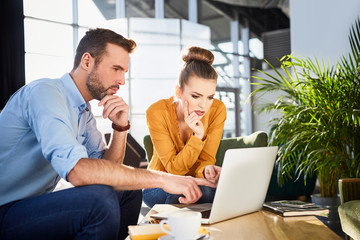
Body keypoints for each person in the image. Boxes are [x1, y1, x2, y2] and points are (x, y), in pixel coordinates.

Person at [0, 28, 215, 240]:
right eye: (116, 69)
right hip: (5, 209)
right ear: (87, 61)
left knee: (128, 190)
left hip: (28, 207)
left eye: (124, 72)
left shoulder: (83, 113)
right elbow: (78, 173)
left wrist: (120, 128)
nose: (122, 80)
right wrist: (161, 179)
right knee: (98, 201)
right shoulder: (45, 93)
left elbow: (109, 173)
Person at [143, 46, 227, 208]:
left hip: (197, 182)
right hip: (160, 185)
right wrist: (197, 137)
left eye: (210, 97)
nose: (203, 105)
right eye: (196, 96)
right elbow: (174, 171)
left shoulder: (218, 109)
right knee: (189, 193)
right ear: (179, 92)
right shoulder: (157, 112)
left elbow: (206, 159)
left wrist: (207, 171)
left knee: (212, 191)